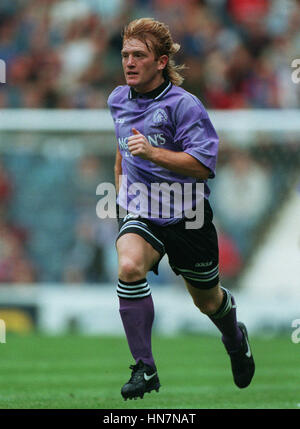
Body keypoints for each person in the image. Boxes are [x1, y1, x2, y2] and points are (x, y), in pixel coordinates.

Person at [107, 17, 255, 401]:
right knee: (128, 266)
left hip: (187, 215)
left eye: (139, 55)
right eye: (125, 54)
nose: (129, 62)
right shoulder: (117, 100)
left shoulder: (184, 106)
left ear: (160, 62)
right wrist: (121, 184)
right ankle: (145, 368)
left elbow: (204, 165)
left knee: (208, 301)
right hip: (141, 209)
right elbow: (122, 149)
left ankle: (234, 338)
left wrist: (153, 152)